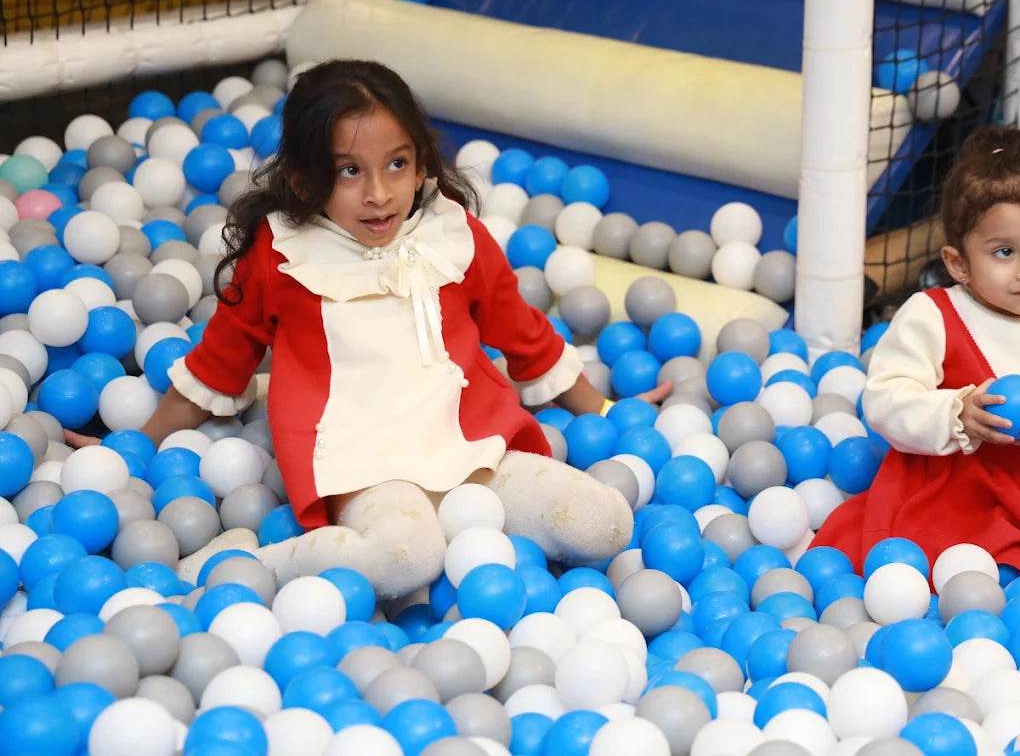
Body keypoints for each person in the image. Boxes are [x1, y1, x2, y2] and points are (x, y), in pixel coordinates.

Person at [71, 59, 660, 598]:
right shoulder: (281, 258)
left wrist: (604, 411)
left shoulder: (451, 238)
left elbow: (521, 332)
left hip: (475, 444)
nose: (379, 195)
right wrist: (134, 449)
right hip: (360, 459)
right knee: (409, 558)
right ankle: (259, 565)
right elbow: (220, 362)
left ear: (421, 162)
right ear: (303, 180)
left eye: (396, 164)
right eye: (349, 171)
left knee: (604, 523)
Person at [813, 125, 1020, 576]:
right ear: (958, 264)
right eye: (1005, 252)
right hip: (954, 490)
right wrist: (956, 412)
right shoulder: (932, 315)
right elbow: (886, 399)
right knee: (919, 565)